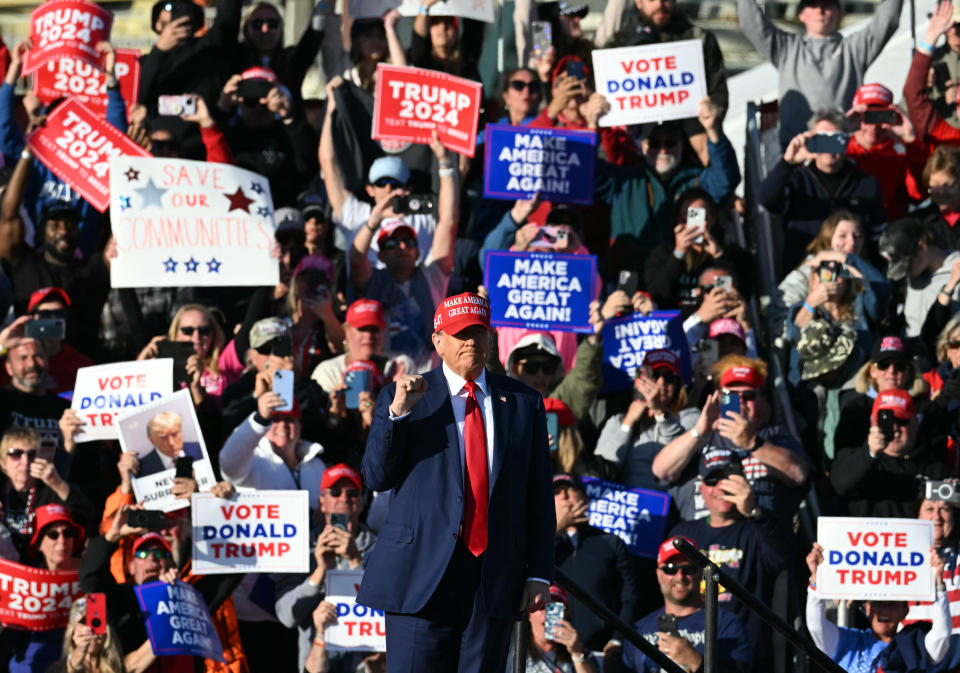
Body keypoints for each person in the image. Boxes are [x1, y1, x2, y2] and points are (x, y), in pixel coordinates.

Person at [357, 292, 555, 673]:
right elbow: (377, 477)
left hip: (493, 576)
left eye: (479, 333)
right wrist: (398, 414)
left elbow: (539, 496)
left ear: (491, 338)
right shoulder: (406, 396)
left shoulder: (524, 402)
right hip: (420, 576)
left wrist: (538, 572)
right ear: (438, 342)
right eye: (461, 333)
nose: (471, 342)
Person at [652, 356, 810, 526]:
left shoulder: (775, 437)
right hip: (700, 540)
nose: (740, 400)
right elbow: (661, 471)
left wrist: (753, 443)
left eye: (748, 395)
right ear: (719, 397)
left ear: (763, 400)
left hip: (757, 539)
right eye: (732, 395)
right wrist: (699, 431)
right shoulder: (702, 434)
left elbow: (798, 474)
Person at [350, 132, 459, 371]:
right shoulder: (372, 282)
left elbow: (448, 222)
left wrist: (447, 164)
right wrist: (375, 219)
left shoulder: (433, 276)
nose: (401, 247)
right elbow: (356, 257)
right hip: (382, 378)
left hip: (428, 379)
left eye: (407, 242)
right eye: (391, 244)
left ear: (418, 252)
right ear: (379, 255)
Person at [737, 0, 903, 146]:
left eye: (827, 5)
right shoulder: (786, 48)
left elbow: (888, 20)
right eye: (813, 4)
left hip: (842, 150)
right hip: (798, 150)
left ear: (839, 13)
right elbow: (751, 23)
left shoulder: (855, 49)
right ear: (801, 15)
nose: (820, 10)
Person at [275, 463, 377, 672]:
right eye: (336, 492)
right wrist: (319, 572)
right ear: (322, 502)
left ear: (362, 503)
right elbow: (286, 616)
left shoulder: (380, 548)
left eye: (353, 493)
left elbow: (386, 609)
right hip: (316, 662)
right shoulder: (300, 548)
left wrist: (356, 561)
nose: (344, 498)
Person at [758, 109, 887, 271]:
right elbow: (765, 199)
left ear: (846, 141)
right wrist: (787, 163)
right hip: (805, 274)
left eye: (835, 139)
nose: (828, 148)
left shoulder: (867, 184)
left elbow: (878, 237)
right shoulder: (796, 180)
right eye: (822, 139)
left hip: (853, 276)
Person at [602, 0, 728, 165]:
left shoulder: (699, 39)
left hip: (692, 153)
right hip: (636, 154)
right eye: (652, 0)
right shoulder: (617, 45)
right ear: (638, 2)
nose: (660, 5)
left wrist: (709, 118)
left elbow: (718, 93)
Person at [806, 541, 952, 669]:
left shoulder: (914, 646)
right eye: (879, 603)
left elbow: (942, 635)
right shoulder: (849, 642)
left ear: (905, 610)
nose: (885, 610)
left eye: (893, 604)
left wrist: (938, 582)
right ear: (868, 608)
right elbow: (816, 626)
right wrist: (816, 578)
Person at [621, 536, 752, 673]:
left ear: (701, 573)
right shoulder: (639, 630)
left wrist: (696, 661)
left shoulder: (726, 624)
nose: (679, 577)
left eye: (688, 569)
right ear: (658, 574)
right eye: (671, 569)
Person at [553, 474, 638, 667]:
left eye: (571, 490)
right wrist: (556, 527)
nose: (565, 497)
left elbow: (629, 598)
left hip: (601, 651)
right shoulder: (544, 546)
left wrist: (616, 640)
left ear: (585, 498)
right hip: (555, 651)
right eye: (557, 493)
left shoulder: (610, 542)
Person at [831, 389, 949, 516]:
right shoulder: (855, 458)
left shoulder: (934, 466)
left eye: (902, 421)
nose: (895, 429)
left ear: (915, 423)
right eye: (885, 422)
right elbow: (840, 485)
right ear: (872, 422)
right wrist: (870, 454)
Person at [595, 349, 699, 489]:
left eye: (669, 377)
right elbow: (602, 469)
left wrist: (660, 412)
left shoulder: (690, 417)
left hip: (669, 503)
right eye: (655, 376)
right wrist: (628, 423)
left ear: (677, 385)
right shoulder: (618, 420)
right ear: (641, 381)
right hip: (625, 501)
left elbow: (678, 458)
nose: (661, 383)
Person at [3, 504, 84, 673]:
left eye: (67, 533)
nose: (62, 540)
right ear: (39, 544)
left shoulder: (87, 575)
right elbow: (10, 643)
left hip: (74, 665)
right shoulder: (22, 580)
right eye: (53, 535)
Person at [219, 381, 326, 505]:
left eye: (289, 420)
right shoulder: (253, 460)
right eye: (275, 420)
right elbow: (229, 463)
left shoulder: (316, 465)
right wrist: (260, 419)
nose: (283, 425)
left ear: (300, 427)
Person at [0, 426, 93, 556]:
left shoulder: (49, 489)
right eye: (16, 453)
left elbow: (85, 516)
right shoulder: (2, 489)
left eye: (32, 454)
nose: (25, 461)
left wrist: (57, 483)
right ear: (3, 462)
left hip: (42, 568)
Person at [845, 83, 925, 221]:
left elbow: (917, 195)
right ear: (855, 116)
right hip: (846, 235)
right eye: (868, 117)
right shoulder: (839, 150)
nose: (874, 126)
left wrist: (910, 139)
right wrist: (841, 129)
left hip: (887, 233)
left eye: (880, 116)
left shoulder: (901, 153)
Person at [878, 217, 960, 339]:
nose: (906, 272)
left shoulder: (956, 269)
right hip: (912, 350)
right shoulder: (912, 276)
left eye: (907, 264)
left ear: (922, 247)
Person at [504, 584, 601, 672]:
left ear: (565, 613)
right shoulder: (511, 647)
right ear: (529, 614)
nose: (547, 615)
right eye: (541, 607)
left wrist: (577, 654)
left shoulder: (580, 652)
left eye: (554, 607)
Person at [45, 598, 125, 673]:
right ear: (72, 631)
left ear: (107, 630)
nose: (90, 629)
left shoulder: (121, 666)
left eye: (96, 622)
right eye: (84, 622)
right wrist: (80, 650)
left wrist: (138, 587)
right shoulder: (59, 669)